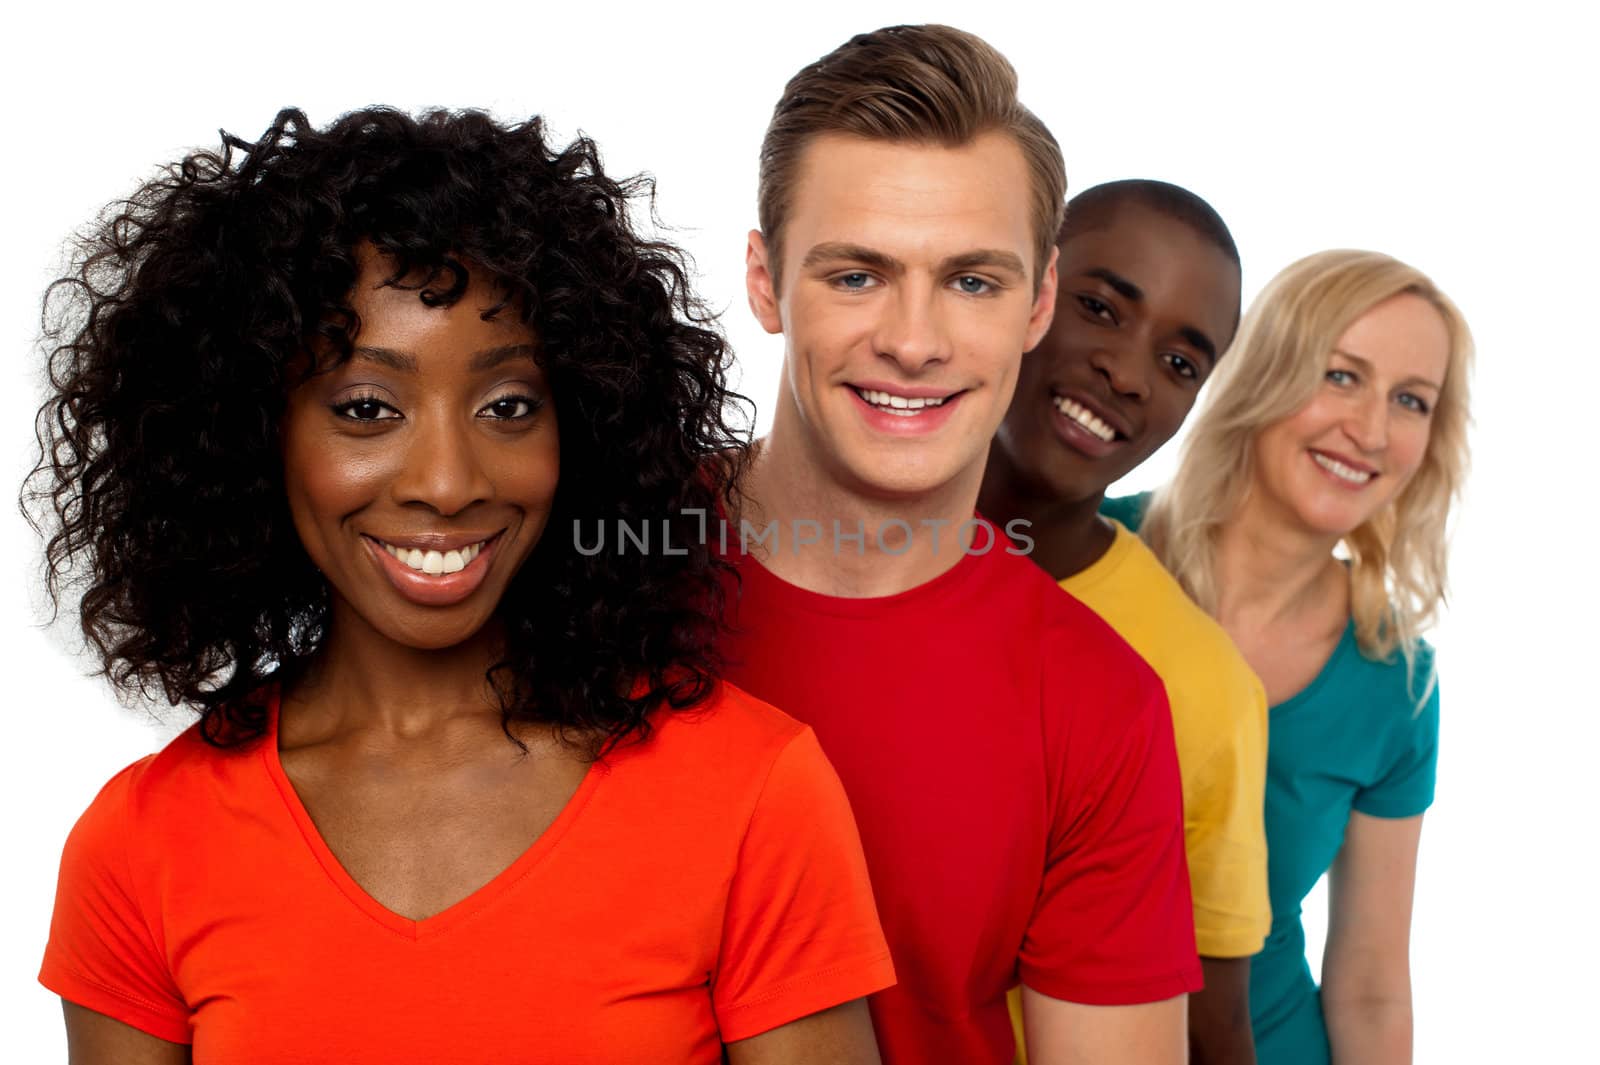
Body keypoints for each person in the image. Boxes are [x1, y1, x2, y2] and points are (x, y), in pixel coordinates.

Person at [29, 106, 895, 1064]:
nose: (448, 480)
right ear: (248, 434)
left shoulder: (752, 792)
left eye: (509, 405)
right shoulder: (144, 841)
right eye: (367, 407)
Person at [720, 25, 1199, 1065]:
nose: (914, 340)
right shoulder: (586, 566)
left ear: (1036, 302)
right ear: (763, 281)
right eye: (855, 275)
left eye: (972, 282)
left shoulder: (1098, 705)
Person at [1105, 249, 1472, 1065]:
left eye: (1411, 400)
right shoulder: (1082, 552)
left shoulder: (1394, 680)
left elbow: (1372, 982)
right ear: (1264, 370)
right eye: (1342, 376)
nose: (1371, 430)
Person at [978, 179, 1270, 1064]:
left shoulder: (1197, 685)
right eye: (1101, 307)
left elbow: (1212, 1024)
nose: (1130, 372)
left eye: (1182, 363)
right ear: (1024, 285)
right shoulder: (804, 534)